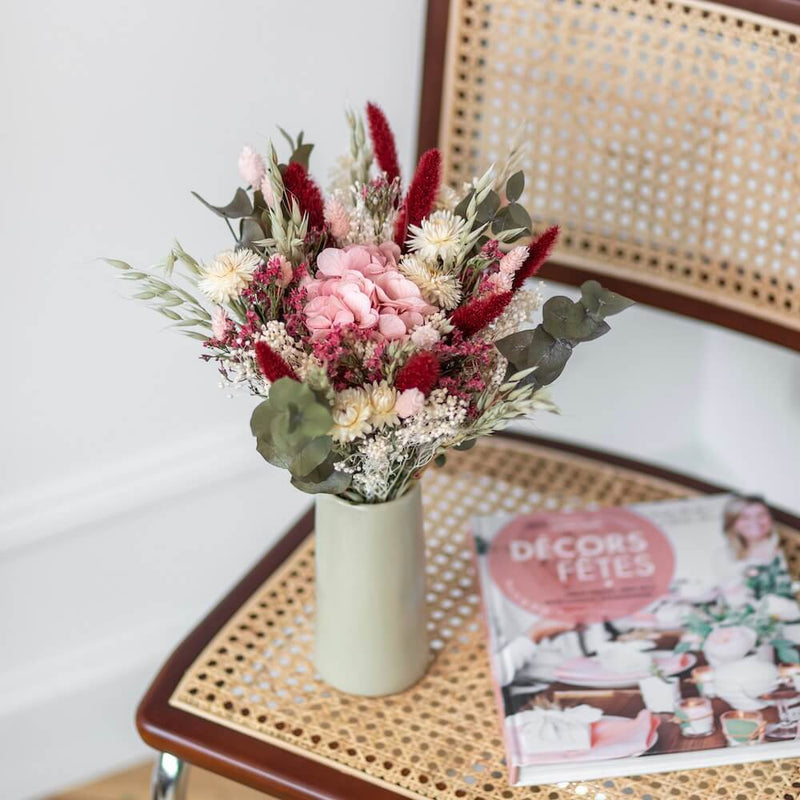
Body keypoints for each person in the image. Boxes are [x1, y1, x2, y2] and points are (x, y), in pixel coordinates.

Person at [723, 496, 778, 564]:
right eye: (745, 517)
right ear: (732, 523)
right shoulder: (726, 557)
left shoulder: (783, 549)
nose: (755, 521)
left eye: (760, 515)